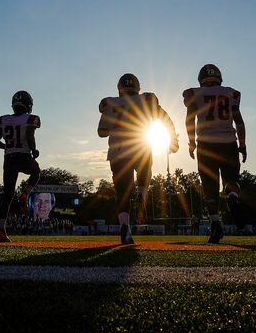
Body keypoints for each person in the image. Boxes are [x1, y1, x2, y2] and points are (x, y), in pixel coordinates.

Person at [98, 73, 179, 244]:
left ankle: (125, 226)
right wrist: (173, 139)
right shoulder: (146, 99)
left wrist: (116, 125)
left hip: (118, 151)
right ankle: (142, 193)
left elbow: (101, 132)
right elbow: (164, 118)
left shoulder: (110, 103)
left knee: (122, 191)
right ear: (137, 87)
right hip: (140, 146)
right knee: (145, 169)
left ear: (119, 88)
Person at [182, 64, 247, 244]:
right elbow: (239, 122)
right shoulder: (230, 93)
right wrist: (243, 145)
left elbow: (190, 119)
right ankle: (232, 196)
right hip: (228, 143)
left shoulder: (194, 93)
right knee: (231, 181)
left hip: (206, 144)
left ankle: (215, 224)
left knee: (210, 187)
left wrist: (191, 143)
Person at [0, 90, 41, 243]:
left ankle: (0, 229)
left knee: (7, 195)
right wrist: (33, 149)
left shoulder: (4, 120)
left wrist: (6, 147)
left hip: (9, 158)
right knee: (36, 172)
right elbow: (30, 136)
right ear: (28, 104)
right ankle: (25, 193)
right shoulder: (31, 118)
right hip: (23, 155)